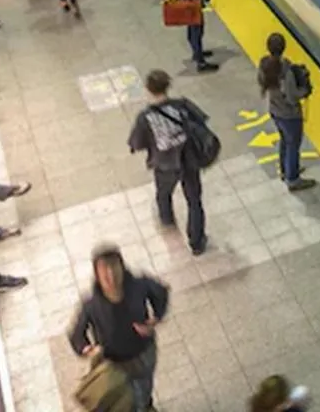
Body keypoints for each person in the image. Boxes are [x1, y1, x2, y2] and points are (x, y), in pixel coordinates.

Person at [69, 244, 170, 412]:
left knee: (142, 392)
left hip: (142, 355)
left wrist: (155, 318)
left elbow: (161, 293)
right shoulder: (92, 304)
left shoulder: (139, 286)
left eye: (114, 267)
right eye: (104, 270)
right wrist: (87, 349)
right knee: (122, 402)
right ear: (97, 274)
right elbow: (76, 334)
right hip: (113, 365)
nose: (111, 275)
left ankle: (146, 406)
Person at [128, 70, 211, 253]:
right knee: (194, 200)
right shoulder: (182, 105)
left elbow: (137, 142)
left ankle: (167, 218)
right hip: (189, 160)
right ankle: (197, 241)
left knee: (163, 193)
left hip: (164, 163)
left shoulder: (145, 117)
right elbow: (202, 121)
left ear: (148, 90)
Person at [258, 33, 317, 192]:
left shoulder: (264, 65)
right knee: (293, 145)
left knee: (285, 141)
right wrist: (304, 91)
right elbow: (291, 97)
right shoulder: (286, 71)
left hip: (274, 111)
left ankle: (285, 170)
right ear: (283, 48)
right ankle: (293, 179)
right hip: (289, 115)